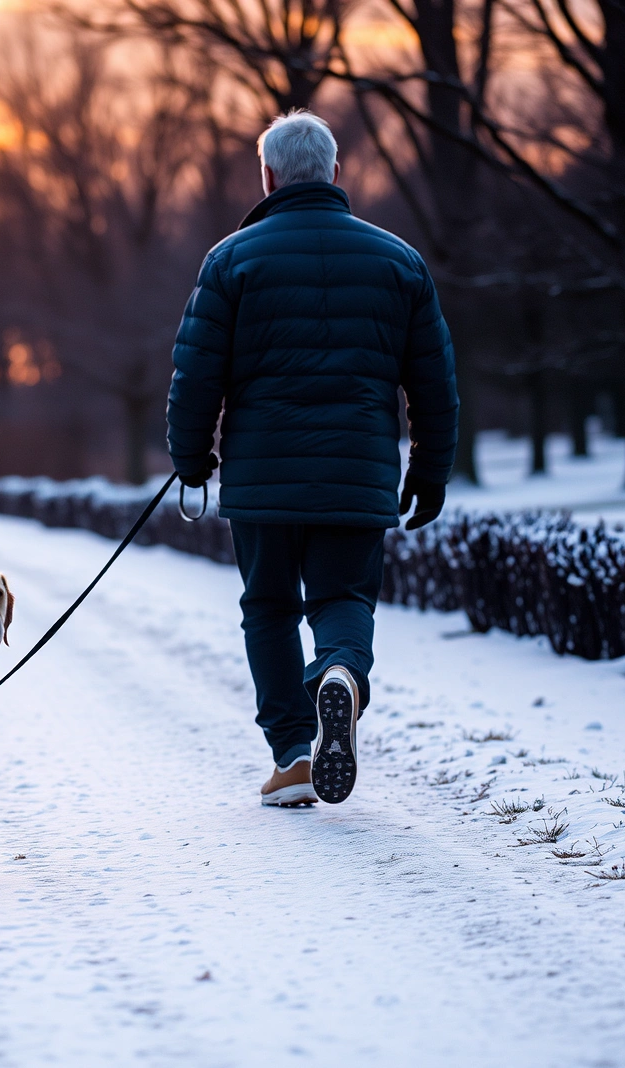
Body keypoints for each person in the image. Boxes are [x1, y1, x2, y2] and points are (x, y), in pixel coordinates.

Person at [164, 110, 458, 808]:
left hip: (263, 477)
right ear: (334, 171)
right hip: (358, 471)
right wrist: (431, 468)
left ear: (267, 175)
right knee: (344, 597)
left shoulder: (231, 259)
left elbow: (195, 373)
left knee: (267, 607)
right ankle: (343, 677)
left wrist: (191, 456)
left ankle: (295, 752)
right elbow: (435, 381)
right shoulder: (399, 260)